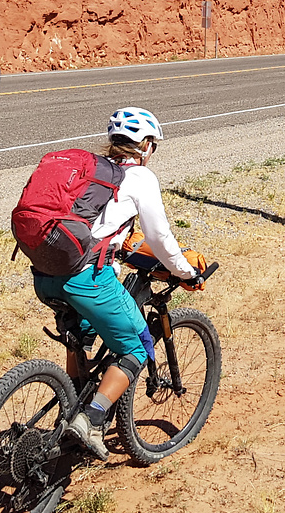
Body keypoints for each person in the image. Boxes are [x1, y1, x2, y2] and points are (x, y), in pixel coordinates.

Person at [30, 106, 206, 460]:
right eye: (153, 144)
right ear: (146, 146)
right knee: (137, 347)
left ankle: (71, 406)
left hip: (44, 275)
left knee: (78, 338)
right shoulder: (140, 178)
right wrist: (187, 272)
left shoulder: (93, 172)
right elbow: (160, 237)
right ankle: (91, 420)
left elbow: (100, 230)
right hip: (87, 278)